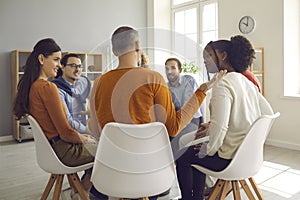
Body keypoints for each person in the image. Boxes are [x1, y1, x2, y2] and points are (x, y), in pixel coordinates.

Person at [89, 26, 226, 200]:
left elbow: (94, 130)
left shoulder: (99, 82)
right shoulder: (153, 78)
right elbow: (173, 128)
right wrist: (202, 91)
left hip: (111, 174)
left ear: (115, 51)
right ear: (138, 46)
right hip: (148, 175)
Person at [175, 35, 274, 199]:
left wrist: (209, 149)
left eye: (208, 56)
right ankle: (197, 196)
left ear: (223, 56)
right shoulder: (245, 82)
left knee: (183, 156)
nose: (205, 61)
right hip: (249, 156)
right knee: (196, 149)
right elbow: (266, 112)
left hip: (228, 159)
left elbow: (221, 128)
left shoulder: (223, 85)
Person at [13, 38, 97, 197]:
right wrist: (85, 139)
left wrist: (83, 136)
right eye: (56, 60)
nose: (59, 65)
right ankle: (82, 192)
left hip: (52, 150)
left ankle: (78, 190)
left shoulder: (32, 87)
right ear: (41, 59)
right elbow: (66, 132)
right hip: (64, 151)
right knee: (107, 150)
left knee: (96, 144)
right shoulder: (47, 87)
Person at [164, 57, 205, 160]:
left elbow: (189, 108)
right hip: (176, 122)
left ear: (180, 70)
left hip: (193, 120)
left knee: (176, 143)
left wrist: (175, 128)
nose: (169, 71)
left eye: (173, 68)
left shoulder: (188, 81)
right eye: (167, 68)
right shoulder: (165, 87)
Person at [52, 53, 92, 134]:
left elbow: (94, 103)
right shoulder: (57, 89)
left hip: (86, 126)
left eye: (80, 66)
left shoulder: (84, 82)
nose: (78, 69)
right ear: (62, 67)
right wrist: (88, 131)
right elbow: (67, 121)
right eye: (73, 66)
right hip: (71, 133)